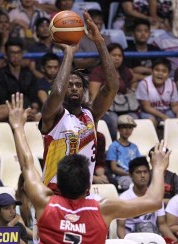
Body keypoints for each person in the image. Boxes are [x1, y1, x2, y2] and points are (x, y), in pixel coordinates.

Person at [7, 93, 170, 244]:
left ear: (59, 185)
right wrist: (158, 166)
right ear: (88, 186)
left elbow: (27, 164)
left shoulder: (45, 204)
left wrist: (18, 127)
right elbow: (155, 200)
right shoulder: (102, 209)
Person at [39, 11, 119, 193]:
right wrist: (68, 52)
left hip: (84, 195)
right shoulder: (52, 116)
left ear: (84, 91)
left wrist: (99, 42)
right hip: (54, 194)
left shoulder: (91, 114)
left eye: (78, 85)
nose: (74, 88)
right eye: (69, 84)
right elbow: (57, 92)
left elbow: (112, 86)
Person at [0, 37, 40, 123]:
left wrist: (34, 109)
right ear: (6, 55)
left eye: (18, 52)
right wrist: (18, 110)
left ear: (22, 54)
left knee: (42, 114)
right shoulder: (1, 75)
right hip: (9, 111)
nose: (16, 56)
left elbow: (34, 97)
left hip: (28, 111)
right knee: (5, 109)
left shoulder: (28, 74)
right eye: (12, 53)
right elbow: (1, 100)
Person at [117, 156, 177, 243]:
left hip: (152, 239)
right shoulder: (124, 198)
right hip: (131, 240)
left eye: (145, 172)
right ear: (130, 175)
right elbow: (121, 228)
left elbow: (162, 225)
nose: (142, 175)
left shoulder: (156, 196)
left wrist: (175, 242)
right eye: (138, 172)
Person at [89, 42, 139, 140]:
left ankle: (131, 145)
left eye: (120, 56)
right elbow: (93, 96)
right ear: (107, 56)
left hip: (124, 107)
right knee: (113, 120)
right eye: (114, 55)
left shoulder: (125, 71)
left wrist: (132, 89)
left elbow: (134, 81)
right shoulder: (98, 72)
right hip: (106, 109)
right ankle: (114, 143)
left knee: (133, 117)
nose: (117, 58)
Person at [136, 58, 178, 127]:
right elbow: (146, 107)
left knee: (173, 118)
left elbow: (174, 105)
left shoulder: (171, 83)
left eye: (164, 71)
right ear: (152, 71)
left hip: (166, 111)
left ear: (168, 74)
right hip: (148, 112)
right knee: (151, 120)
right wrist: (162, 116)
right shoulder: (144, 83)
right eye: (157, 70)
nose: (160, 73)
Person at [106, 114, 141, 190]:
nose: (127, 130)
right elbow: (114, 168)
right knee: (128, 183)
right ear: (118, 129)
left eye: (130, 128)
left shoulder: (134, 147)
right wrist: (129, 174)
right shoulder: (114, 146)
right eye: (124, 127)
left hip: (135, 175)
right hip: (121, 176)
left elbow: (139, 164)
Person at [73, 9, 112, 73]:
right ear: (87, 22)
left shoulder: (107, 39)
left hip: (105, 73)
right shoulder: (78, 40)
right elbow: (79, 64)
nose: (98, 27)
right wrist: (100, 56)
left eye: (100, 24)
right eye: (96, 24)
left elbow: (112, 61)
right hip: (84, 74)